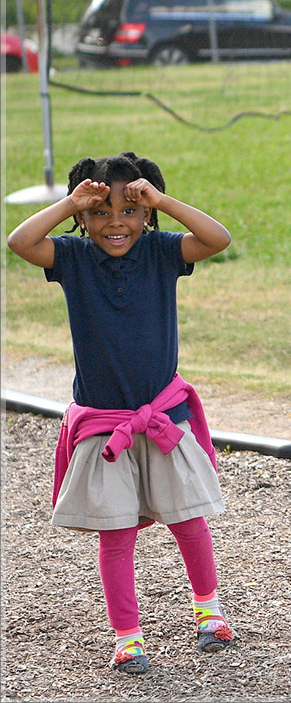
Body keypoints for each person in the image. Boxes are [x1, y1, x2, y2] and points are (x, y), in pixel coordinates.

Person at [7, 152, 235, 673]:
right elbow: (20, 243)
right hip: (103, 426)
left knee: (188, 519)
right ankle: (127, 636)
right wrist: (68, 202)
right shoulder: (71, 257)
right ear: (81, 219)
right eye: (101, 211)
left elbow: (218, 239)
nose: (116, 222)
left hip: (162, 418)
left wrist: (160, 201)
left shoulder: (161, 251)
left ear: (147, 215)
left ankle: (209, 612)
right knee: (116, 533)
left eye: (129, 210)